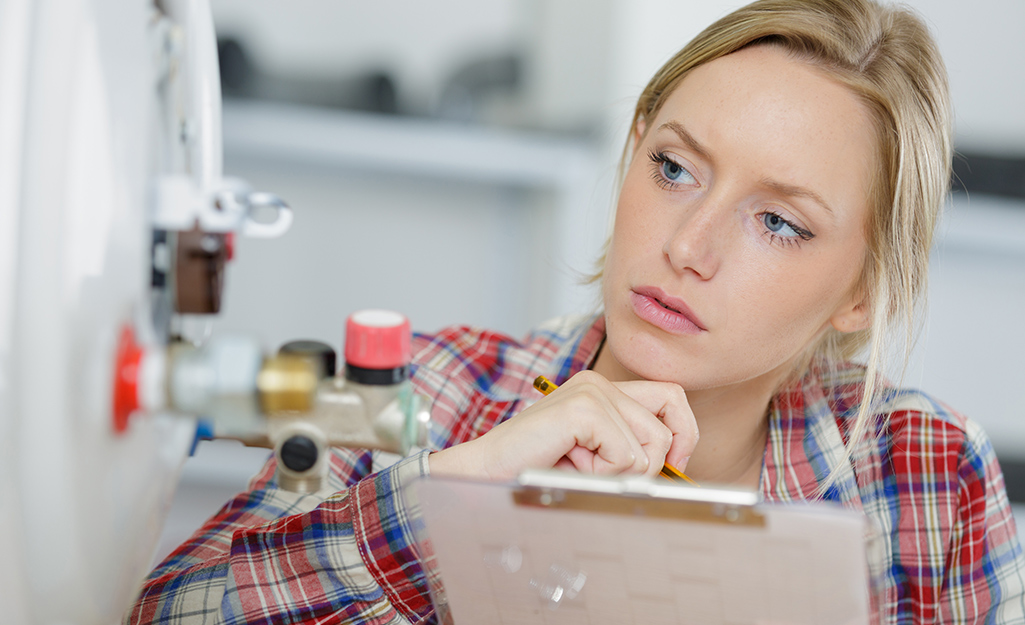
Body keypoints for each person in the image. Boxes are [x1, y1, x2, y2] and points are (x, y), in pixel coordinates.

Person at [125, 0, 1025, 623]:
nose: (689, 245)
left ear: (860, 291)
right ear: (633, 148)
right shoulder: (429, 392)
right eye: (675, 168)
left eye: (778, 223)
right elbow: (165, 610)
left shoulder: (927, 477)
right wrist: (450, 504)